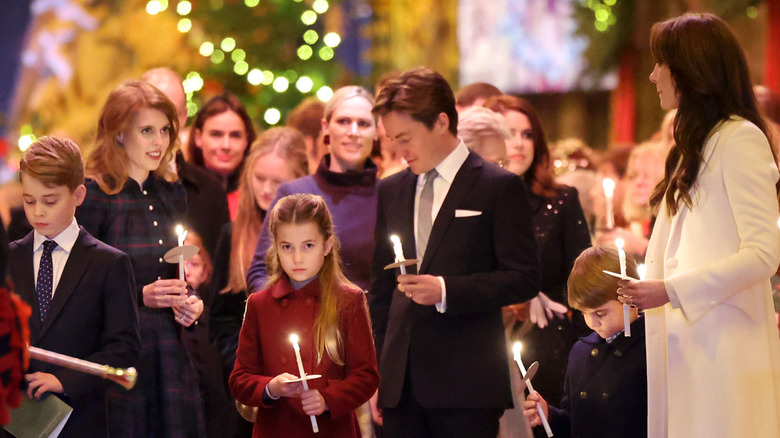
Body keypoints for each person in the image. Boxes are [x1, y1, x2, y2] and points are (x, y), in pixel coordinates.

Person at [617, 13, 780, 437]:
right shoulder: (693, 144)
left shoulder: (740, 138)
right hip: (688, 345)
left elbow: (763, 253)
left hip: (724, 344)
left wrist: (672, 289)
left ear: (691, 68)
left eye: (661, 63)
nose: (653, 75)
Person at [369, 67, 540, 438]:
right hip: (400, 387)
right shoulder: (392, 190)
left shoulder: (498, 185)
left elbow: (524, 277)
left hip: (467, 385)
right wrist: (380, 372)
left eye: (406, 138)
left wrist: (446, 290)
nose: (399, 150)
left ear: (441, 122)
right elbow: (381, 292)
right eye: (392, 139)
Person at [77, 80, 205, 437]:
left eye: (164, 130)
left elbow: (177, 272)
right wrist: (139, 296)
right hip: (118, 356)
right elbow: (78, 291)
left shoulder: (171, 192)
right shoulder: (94, 196)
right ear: (119, 133)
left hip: (169, 354)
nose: (158, 142)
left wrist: (191, 302)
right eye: (146, 130)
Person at [8, 136, 140, 437]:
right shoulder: (9, 258)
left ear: (78, 195)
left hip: (80, 421)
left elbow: (124, 348)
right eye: (29, 201)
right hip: (14, 420)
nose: (38, 211)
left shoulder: (109, 263)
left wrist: (65, 381)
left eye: (50, 201)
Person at [229, 193, 380, 438]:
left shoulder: (349, 300)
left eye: (308, 246)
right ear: (276, 247)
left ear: (327, 246)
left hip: (332, 431)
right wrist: (271, 387)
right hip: (276, 429)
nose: (297, 258)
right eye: (287, 247)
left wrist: (327, 399)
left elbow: (366, 376)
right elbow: (240, 379)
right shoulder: (260, 304)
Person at [484, 94, 592, 408]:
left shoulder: (561, 200)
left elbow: (582, 283)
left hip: (549, 346)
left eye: (527, 134)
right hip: (486, 343)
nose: (519, 143)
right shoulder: (471, 202)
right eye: (509, 133)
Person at [209, 127, 308, 437]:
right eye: (259, 178)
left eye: (278, 182)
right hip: (254, 389)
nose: (266, 190)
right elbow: (222, 318)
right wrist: (245, 368)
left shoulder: (316, 238)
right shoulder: (233, 234)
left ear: (300, 181)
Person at [247, 86, 380, 293]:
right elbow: (261, 271)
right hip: (301, 312)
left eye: (363, 124)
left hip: (369, 313)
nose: (353, 132)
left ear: (377, 131)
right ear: (326, 127)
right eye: (343, 121)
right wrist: (287, 306)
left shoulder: (389, 195)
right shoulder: (293, 193)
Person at [524, 246, 646, 438]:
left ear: (630, 297)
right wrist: (549, 415)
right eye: (584, 313)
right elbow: (575, 423)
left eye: (600, 313)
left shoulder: (649, 347)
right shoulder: (581, 352)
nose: (592, 323)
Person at [143, 67, 231, 256]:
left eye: (170, 113)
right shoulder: (109, 187)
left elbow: (221, 269)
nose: (160, 124)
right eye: (152, 112)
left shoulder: (210, 190)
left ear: (184, 116)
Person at [185, 93, 257, 220]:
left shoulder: (259, 195)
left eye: (235, 135)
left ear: (246, 140)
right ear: (198, 137)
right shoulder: (179, 192)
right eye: (216, 135)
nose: (226, 145)